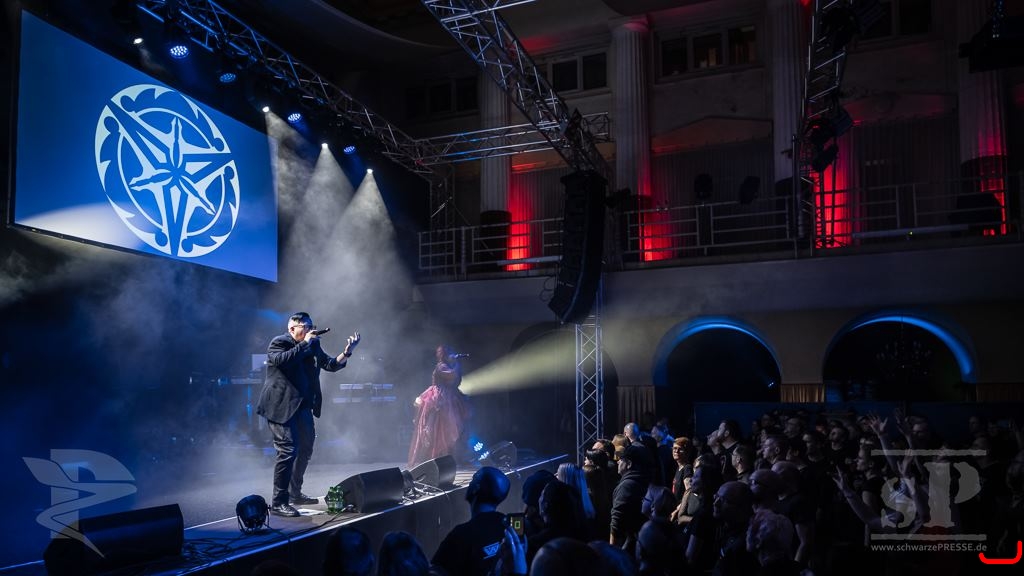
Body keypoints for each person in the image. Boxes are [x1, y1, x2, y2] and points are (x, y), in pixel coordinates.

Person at [257, 312, 359, 517]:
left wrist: (347, 353)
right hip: (280, 406)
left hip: (302, 406)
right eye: (306, 326)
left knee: (305, 448)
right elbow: (283, 361)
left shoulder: (313, 344)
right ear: (292, 328)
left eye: (311, 326)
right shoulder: (279, 343)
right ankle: (278, 502)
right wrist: (305, 343)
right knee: (287, 450)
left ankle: (295, 493)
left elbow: (329, 364)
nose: (311, 329)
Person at [408, 345, 471, 468]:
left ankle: (452, 456)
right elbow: (452, 375)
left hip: (448, 397)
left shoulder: (446, 366)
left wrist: (456, 364)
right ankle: (437, 457)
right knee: (438, 428)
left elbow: (456, 380)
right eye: (449, 354)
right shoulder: (441, 366)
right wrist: (457, 363)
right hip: (439, 399)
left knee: (448, 427)